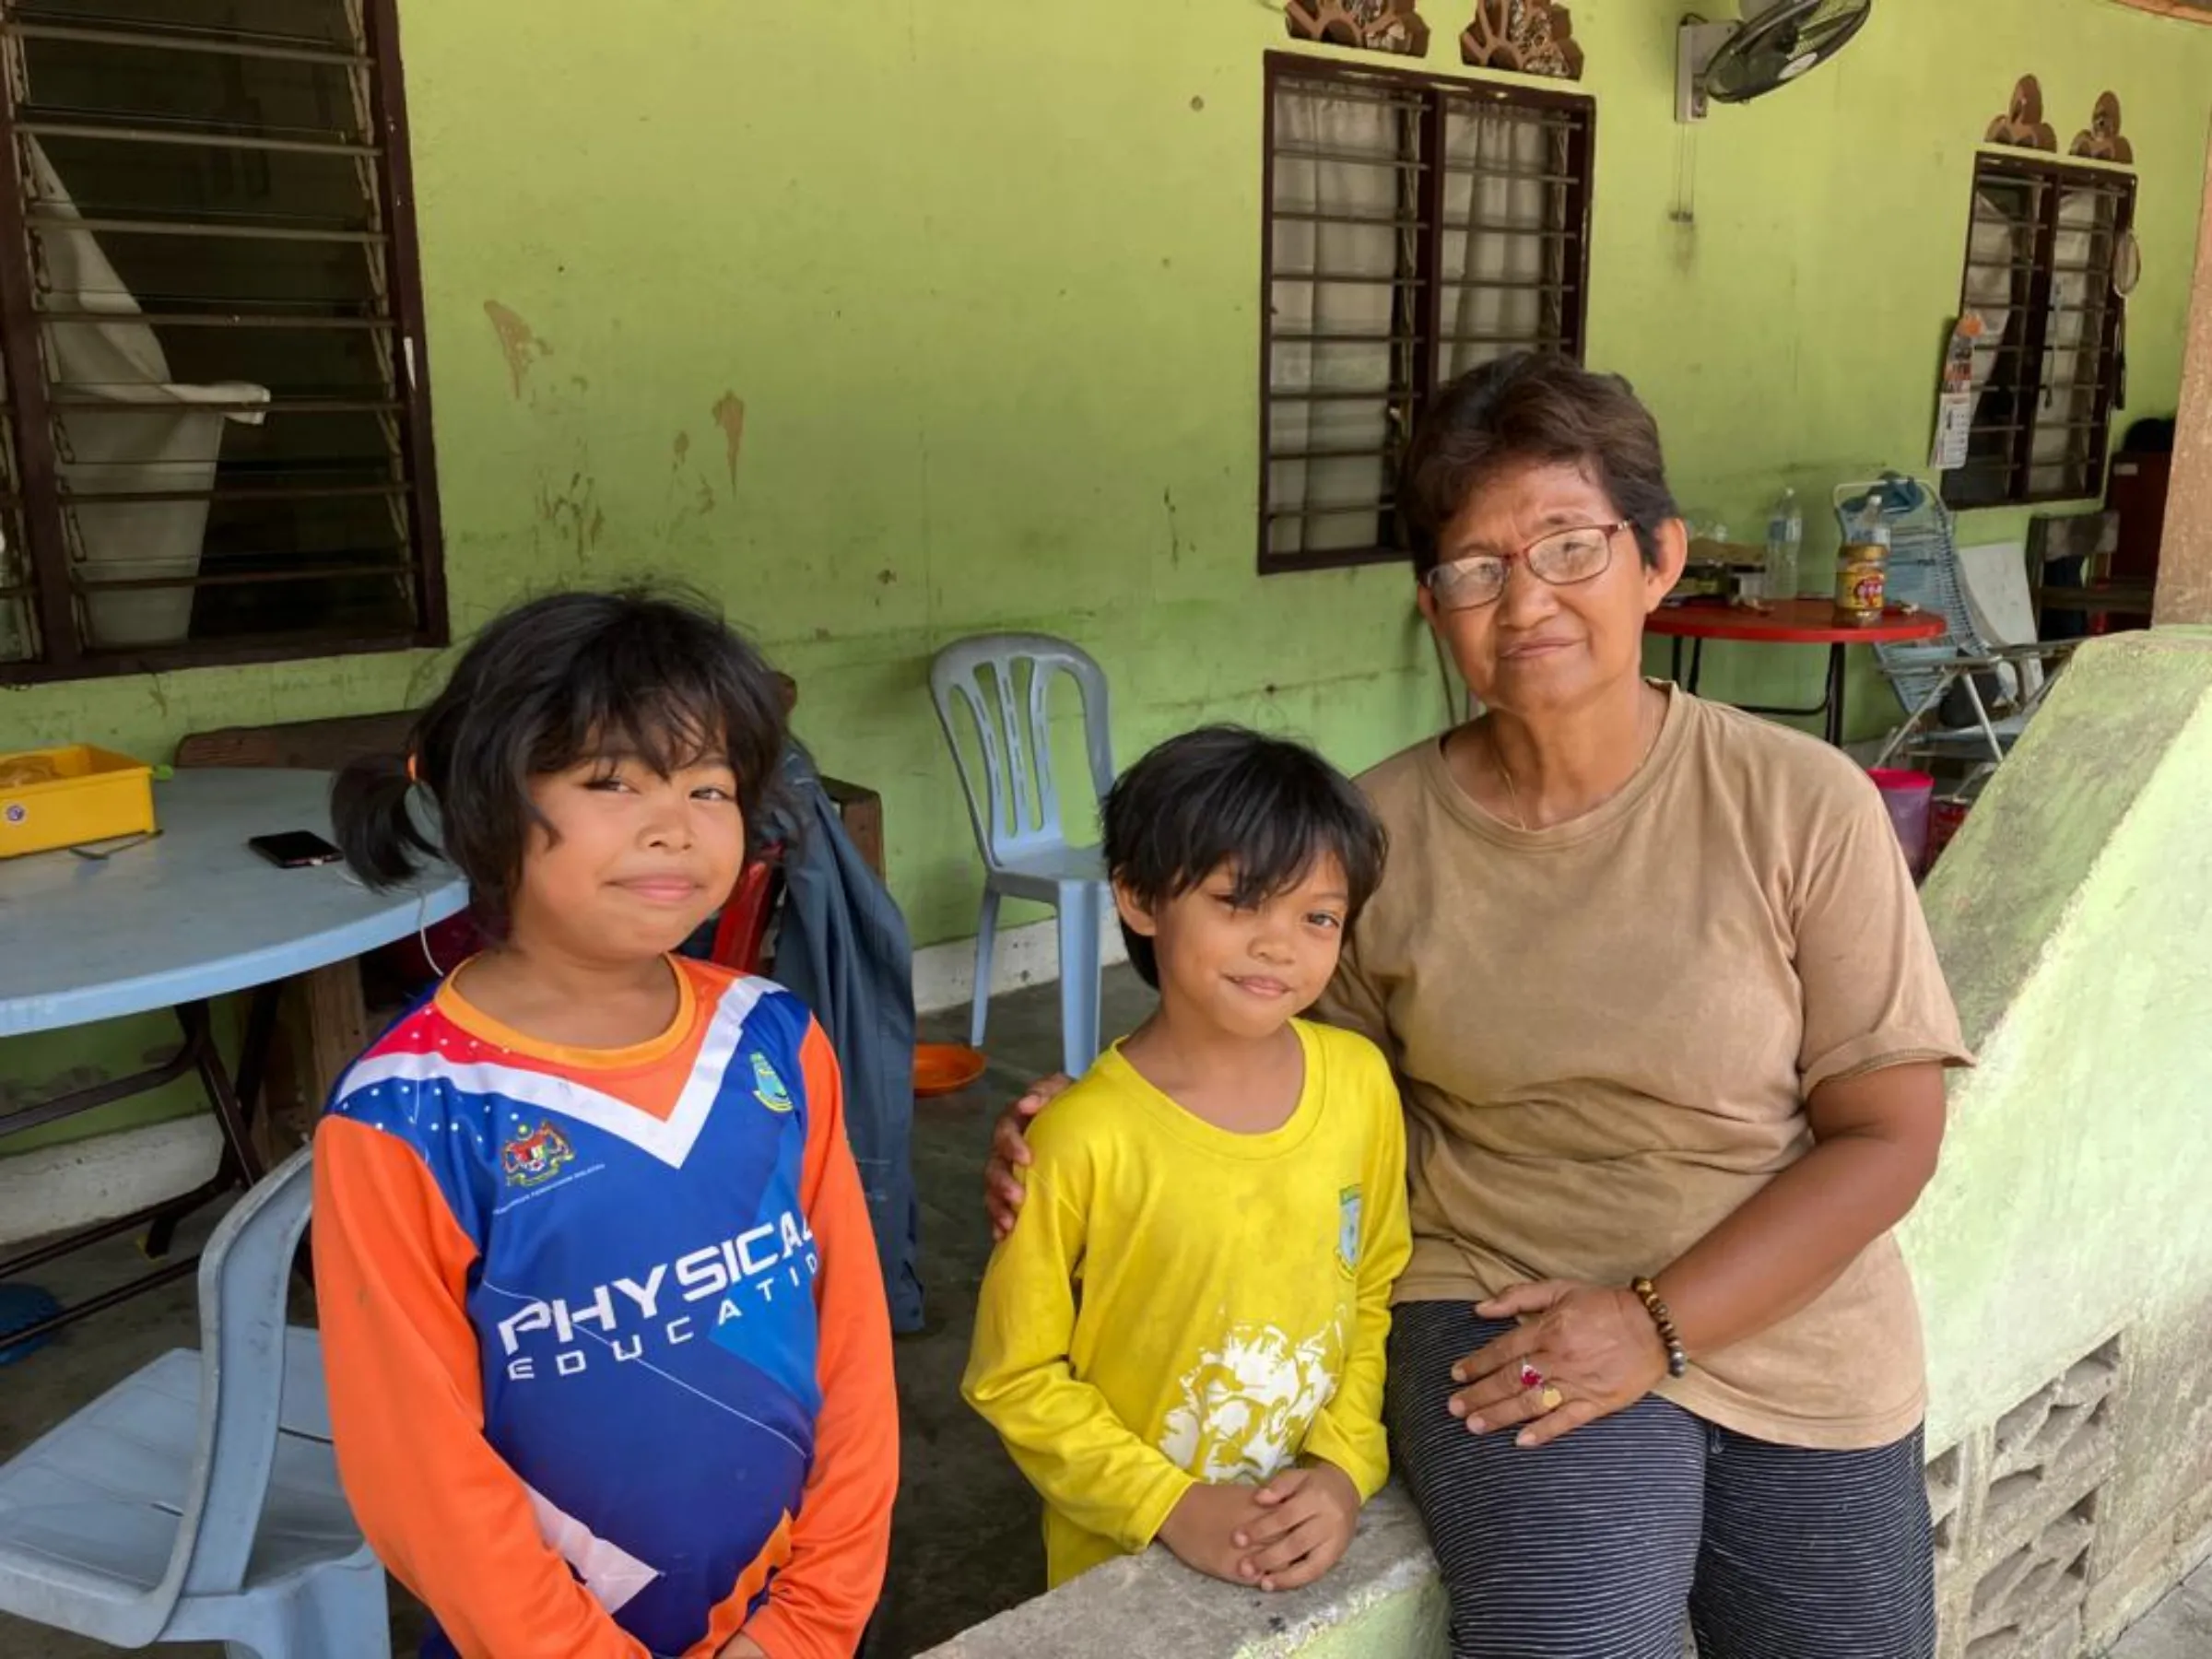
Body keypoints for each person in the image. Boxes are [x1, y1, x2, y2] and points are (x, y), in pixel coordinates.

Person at [985, 354, 1970, 1658]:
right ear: (1433, 604)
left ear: (1658, 558)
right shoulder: (1373, 837)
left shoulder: (1800, 803)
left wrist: (1656, 1321)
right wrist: (1105, 1124)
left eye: (1570, 545)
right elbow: (1271, 1055)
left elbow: (1890, 1131)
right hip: (1500, 1297)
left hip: (1796, 1317)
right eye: (1476, 567)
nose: (1528, 601)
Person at [314, 589, 897, 1659]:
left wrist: (811, 1624)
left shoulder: (770, 1040)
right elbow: (420, 1471)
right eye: (611, 782)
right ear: (482, 799)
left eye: (710, 786)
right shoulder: (410, 1118)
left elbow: (851, 1345)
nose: (674, 824)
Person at [962, 726, 1409, 1595]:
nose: (1281, 945)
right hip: (1127, 1559)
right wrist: (1169, 1504)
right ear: (1137, 897)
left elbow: (1372, 1284)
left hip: (1307, 1528)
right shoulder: (1080, 1138)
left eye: (1317, 916)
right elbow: (1015, 1377)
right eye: (1239, 902)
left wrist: (1345, 1466)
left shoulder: (1359, 1085)